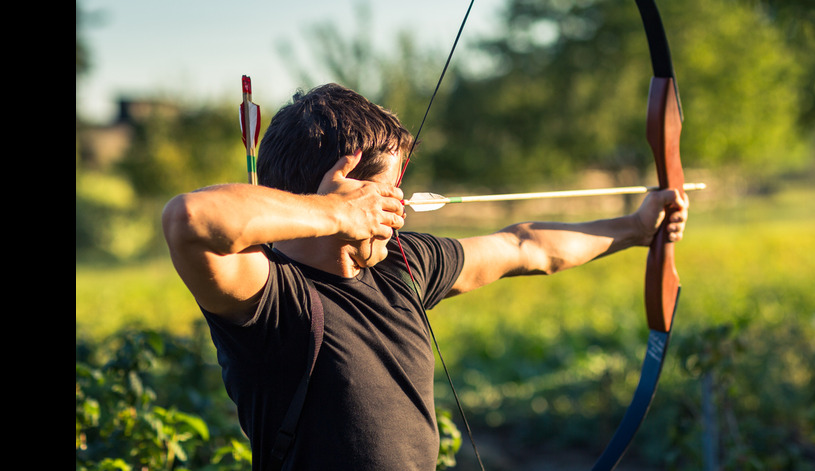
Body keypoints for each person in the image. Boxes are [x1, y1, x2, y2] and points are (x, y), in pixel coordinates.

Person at [162, 83, 688, 470]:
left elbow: (526, 247)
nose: (401, 209)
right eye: (389, 192)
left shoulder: (401, 266)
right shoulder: (270, 297)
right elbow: (189, 219)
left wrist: (637, 228)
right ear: (346, 192)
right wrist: (335, 215)